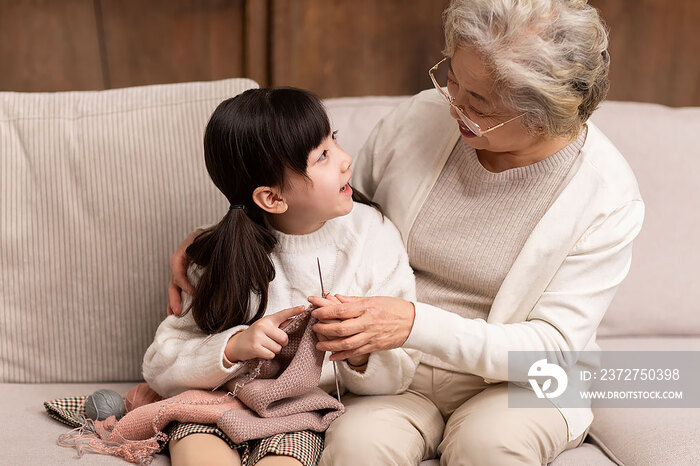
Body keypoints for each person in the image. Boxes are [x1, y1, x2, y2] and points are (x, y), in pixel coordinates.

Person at [168, 1, 645, 464]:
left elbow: (553, 348)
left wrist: (414, 323)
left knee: (489, 448)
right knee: (357, 449)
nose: (452, 103)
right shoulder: (422, 118)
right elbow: (327, 208)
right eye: (452, 78)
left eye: (477, 101)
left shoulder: (605, 195)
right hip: (391, 372)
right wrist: (215, 243)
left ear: (540, 117)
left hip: (522, 382)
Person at [144, 87, 420, 466]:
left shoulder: (373, 236)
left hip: (299, 417)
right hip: (214, 406)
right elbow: (160, 364)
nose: (345, 160)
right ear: (272, 199)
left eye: (334, 140)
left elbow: (401, 372)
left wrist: (358, 352)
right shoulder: (218, 256)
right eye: (322, 156)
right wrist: (234, 346)